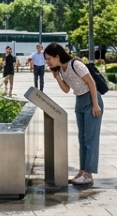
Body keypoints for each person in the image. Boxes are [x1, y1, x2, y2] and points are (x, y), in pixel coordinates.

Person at [44, 43, 102, 187]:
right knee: (82, 139)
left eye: (49, 58)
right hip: (79, 101)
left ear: (57, 56)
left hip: (91, 100)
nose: (48, 62)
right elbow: (66, 90)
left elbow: (92, 83)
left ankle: (88, 174)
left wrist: (95, 105)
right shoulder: (62, 69)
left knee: (90, 139)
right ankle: (82, 171)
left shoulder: (75, 64)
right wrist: (57, 77)